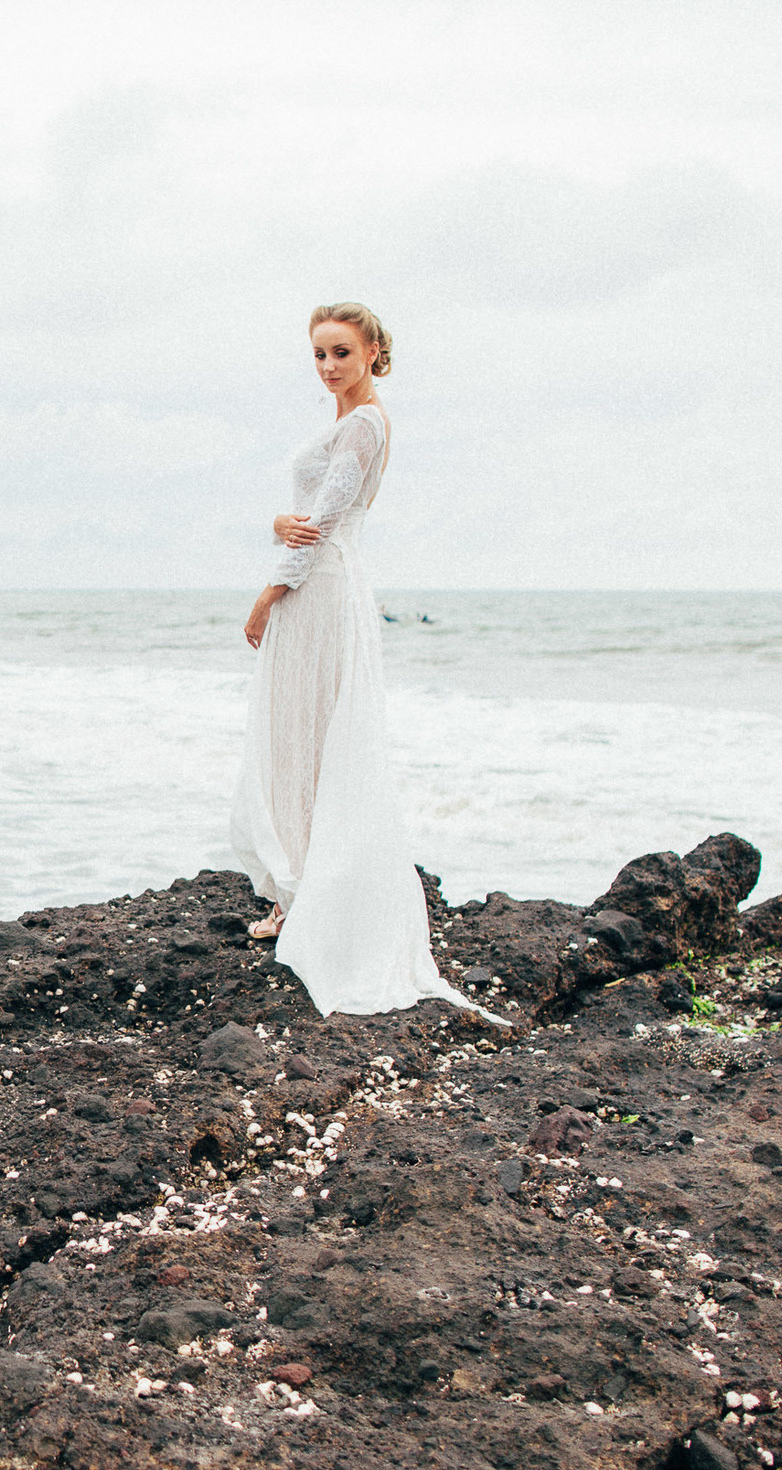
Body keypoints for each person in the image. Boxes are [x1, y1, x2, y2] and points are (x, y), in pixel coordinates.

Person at [228, 302, 493, 1019]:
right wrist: (279, 522)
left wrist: (263, 596)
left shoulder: (366, 423)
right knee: (298, 737)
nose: (328, 366)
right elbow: (309, 515)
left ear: (374, 350)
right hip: (318, 586)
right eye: (318, 353)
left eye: (341, 351)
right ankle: (298, 892)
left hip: (317, 591)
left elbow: (318, 526)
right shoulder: (347, 424)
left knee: (309, 737)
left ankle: (305, 899)